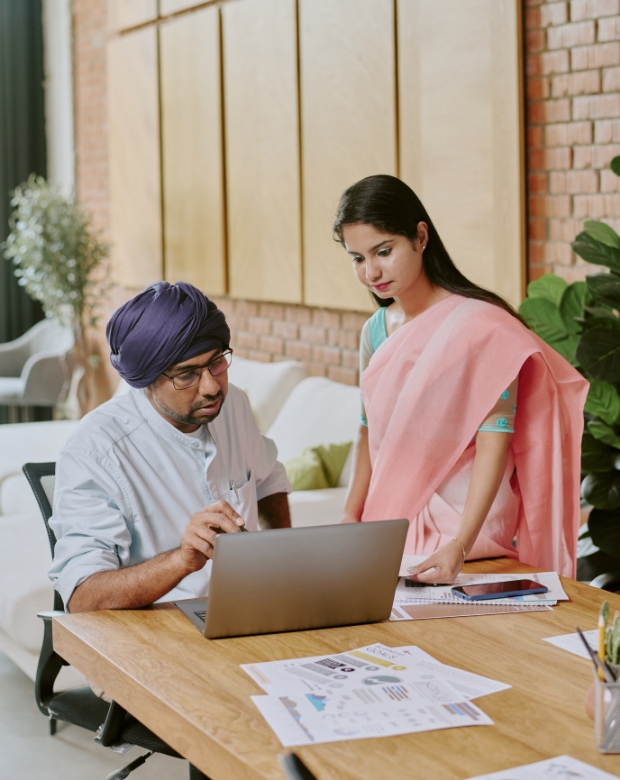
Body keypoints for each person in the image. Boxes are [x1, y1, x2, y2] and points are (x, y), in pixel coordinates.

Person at [336, 175, 588, 583]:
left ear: (420, 237)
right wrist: (351, 514)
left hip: (470, 534)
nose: (371, 272)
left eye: (384, 251)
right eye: (357, 258)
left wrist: (460, 545)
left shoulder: (483, 327)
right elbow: (369, 434)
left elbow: (494, 438)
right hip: (388, 525)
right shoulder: (375, 331)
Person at [49, 282, 291, 613]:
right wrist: (180, 560)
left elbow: (269, 481)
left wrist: (284, 565)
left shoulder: (233, 404)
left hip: (245, 608)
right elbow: (82, 597)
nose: (211, 387)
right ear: (147, 381)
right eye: (187, 375)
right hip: (156, 626)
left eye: (217, 362)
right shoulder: (96, 449)